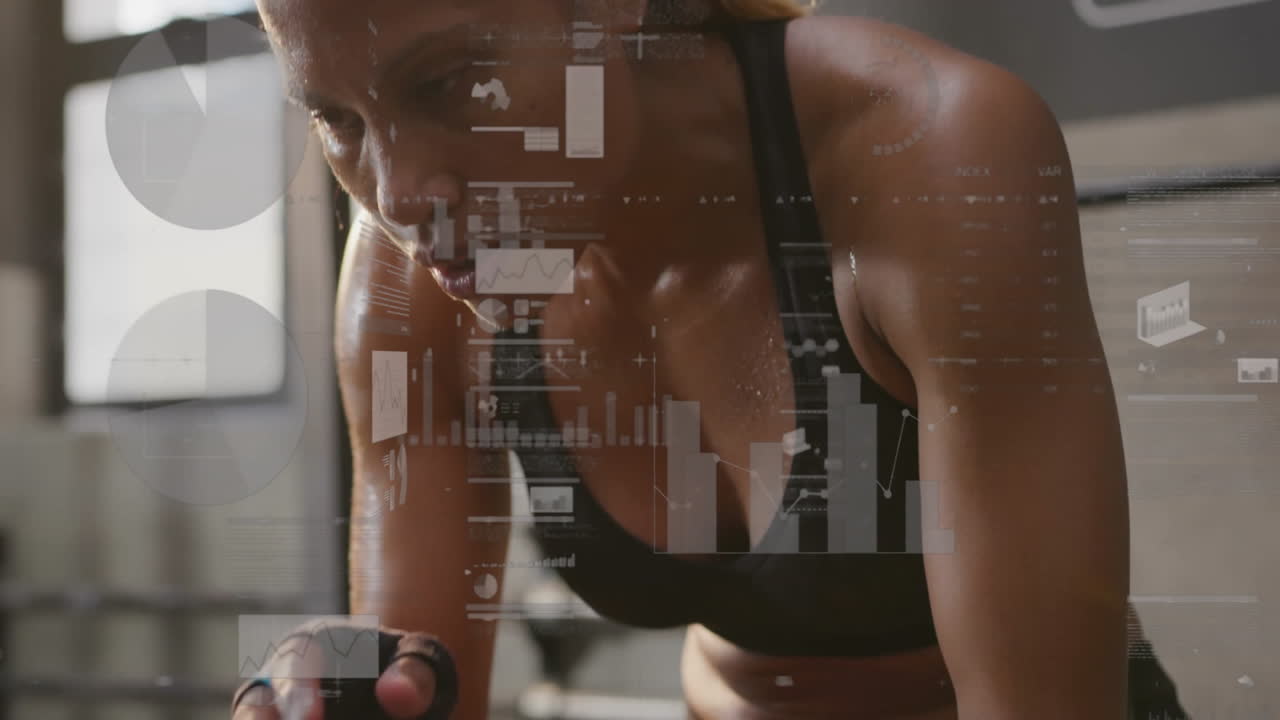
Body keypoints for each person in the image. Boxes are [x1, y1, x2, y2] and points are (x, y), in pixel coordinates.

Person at [233, 0, 1193, 718]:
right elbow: (418, 680)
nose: (400, 195)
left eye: (447, 83)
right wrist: (347, 685)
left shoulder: (926, 149)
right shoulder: (413, 273)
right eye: (340, 121)